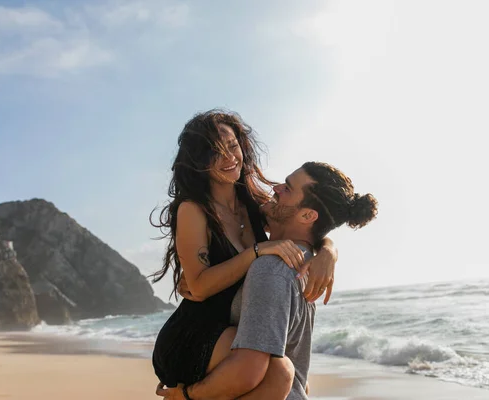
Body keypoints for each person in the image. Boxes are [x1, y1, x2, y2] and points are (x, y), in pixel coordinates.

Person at [156, 161, 378, 399]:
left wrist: (187, 396)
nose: (275, 188)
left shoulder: (271, 269)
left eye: (288, 189)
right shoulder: (304, 264)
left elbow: (247, 370)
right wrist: (328, 249)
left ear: (307, 215)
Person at [151, 111, 339, 392]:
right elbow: (199, 287)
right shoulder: (193, 210)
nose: (229, 158)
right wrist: (256, 251)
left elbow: (299, 221)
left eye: (232, 146)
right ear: (198, 162)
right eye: (215, 153)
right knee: (279, 373)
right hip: (192, 334)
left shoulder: (251, 202)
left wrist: (328, 251)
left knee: (289, 378)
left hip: (234, 332)